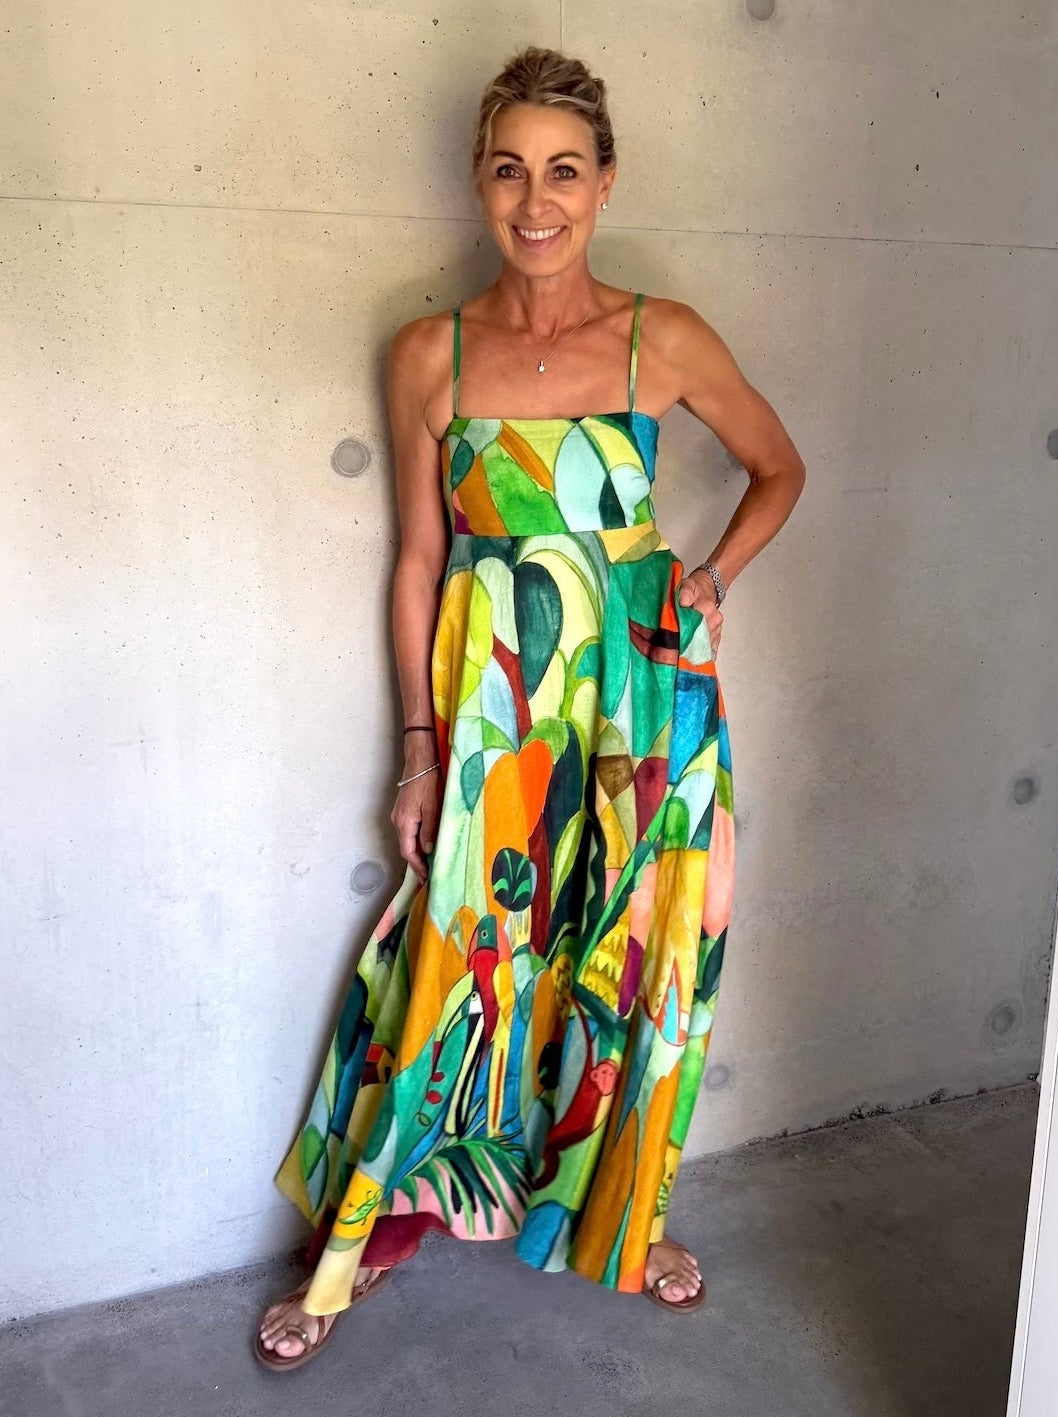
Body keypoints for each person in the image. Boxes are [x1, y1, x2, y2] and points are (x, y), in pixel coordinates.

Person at [255, 44, 805, 1371]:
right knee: (455, 967)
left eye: (565, 169)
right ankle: (366, 1238)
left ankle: (629, 1216)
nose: (537, 198)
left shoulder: (660, 338)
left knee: (643, 965)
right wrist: (418, 750)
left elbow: (779, 469)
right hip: (497, 723)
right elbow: (417, 560)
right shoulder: (428, 354)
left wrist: (711, 580)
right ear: (479, 180)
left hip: (645, 716)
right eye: (511, 169)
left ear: (606, 184)